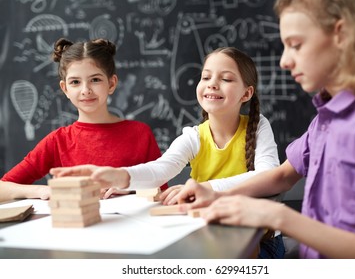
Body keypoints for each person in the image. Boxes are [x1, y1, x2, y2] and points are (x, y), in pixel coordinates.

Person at [171, 0, 355, 259]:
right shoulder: (325, 120)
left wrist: (277, 216)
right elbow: (282, 175)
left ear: (341, 34)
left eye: (296, 45)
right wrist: (213, 193)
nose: (284, 61)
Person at [50, 46, 283, 258]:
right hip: (213, 235)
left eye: (226, 79)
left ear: (246, 93)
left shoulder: (259, 126)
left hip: (261, 241)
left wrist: (207, 188)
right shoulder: (194, 136)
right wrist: (120, 176)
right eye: (206, 77)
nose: (212, 83)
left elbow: (268, 176)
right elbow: (161, 169)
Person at [0, 37, 164, 202]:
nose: (86, 90)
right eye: (75, 82)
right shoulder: (57, 141)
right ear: (65, 89)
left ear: (112, 83)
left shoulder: (140, 133)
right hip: (76, 226)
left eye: (95, 80)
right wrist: (42, 190)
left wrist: (129, 186)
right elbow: (3, 187)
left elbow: (163, 192)